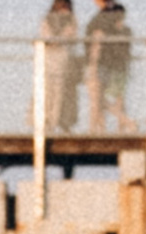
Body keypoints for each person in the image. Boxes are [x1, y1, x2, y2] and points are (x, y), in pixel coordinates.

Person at [85, 0, 135, 135]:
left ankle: (99, 128)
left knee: (98, 98)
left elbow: (97, 44)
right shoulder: (124, 30)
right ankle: (120, 126)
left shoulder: (101, 23)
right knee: (113, 98)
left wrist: (93, 65)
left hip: (104, 65)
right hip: (117, 67)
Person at [39, 0, 82, 135]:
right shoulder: (49, 19)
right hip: (53, 58)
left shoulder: (68, 20)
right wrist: (58, 40)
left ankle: (55, 122)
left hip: (60, 59)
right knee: (50, 91)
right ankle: (48, 122)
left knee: (58, 92)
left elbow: (70, 36)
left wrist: (55, 41)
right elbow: (50, 37)